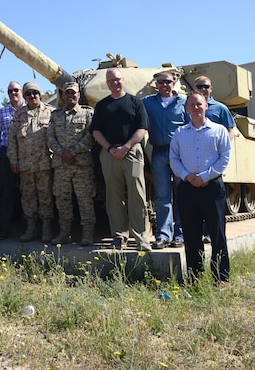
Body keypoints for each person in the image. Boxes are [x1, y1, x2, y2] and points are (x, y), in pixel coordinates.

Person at [169, 92, 232, 286]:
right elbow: (174, 159)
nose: (196, 107)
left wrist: (204, 177)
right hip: (187, 188)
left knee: (217, 234)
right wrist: (188, 176)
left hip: (212, 188)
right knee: (191, 234)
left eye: (199, 104)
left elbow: (225, 158)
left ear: (206, 106)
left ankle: (220, 278)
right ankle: (195, 276)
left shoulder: (219, 130)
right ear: (187, 108)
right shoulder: (180, 134)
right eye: (192, 105)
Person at [90, 68, 152, 251]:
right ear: (107, 84)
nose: (114, 83)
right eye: (110, 81)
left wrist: (125, 147)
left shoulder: (135, 102)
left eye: (117, 80)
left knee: (137, 195)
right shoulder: (102, 105)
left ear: (123, 80)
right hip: (109, 153)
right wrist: (110, 148)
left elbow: (142, 128)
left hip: (132, 151)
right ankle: (119, 236)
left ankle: (142, 238)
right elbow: (96, 131)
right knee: (113, 196)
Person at [142, 70, 189, 249]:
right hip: (159, 152)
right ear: (155, 84)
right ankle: (163, 235)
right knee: (162, 196)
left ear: (174, 82)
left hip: (180, 152)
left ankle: (181, 234)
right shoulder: (148, 102)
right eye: (160, 82)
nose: (164, 85)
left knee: (181, 194)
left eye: (167, 82)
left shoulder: (183, 102)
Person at [47, 81, 96, 246]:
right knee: (62, 201)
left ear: (78, 95)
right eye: (67, 93)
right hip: (61, 165)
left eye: (73, 93)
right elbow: (50, 138)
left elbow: (90, 136)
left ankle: (88, 233)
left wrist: (73, 152)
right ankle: (64, 233)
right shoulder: (55, 115)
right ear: (63, 95)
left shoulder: (88, 114)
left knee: (85, 200)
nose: (70, 96)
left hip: (81, 165)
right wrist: (63, 153)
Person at [7, 81, 54, 242]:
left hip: (45, 164)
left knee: (45, 196)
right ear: (24, 96)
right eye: (28, 94)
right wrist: (13, 160)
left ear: (40, 94)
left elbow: (56, 137)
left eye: (35, 92)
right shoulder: (19, 115)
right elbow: (12, 140)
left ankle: (46, 228)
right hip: (25, 165)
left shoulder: (51, 112)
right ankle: (31, 228)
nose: (32, 96)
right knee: (27, 197)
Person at [193, 75, 236, 244]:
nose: (203, 89)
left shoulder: (220, 108)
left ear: (211, 88)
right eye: (199, 86)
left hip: (213, 157)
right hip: (194, 157)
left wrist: (223, 147)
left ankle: (211, 233)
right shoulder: (190, 106)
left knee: (213, 199)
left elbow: (230, 129)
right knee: (196, 198)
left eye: (206, 86)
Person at [0, 81, 25, 238]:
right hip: (6, 154)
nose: (13, 93)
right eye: (10, 91)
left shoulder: (31, 110)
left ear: (21, 91)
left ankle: (28, 228)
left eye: (16, 90)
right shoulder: (1, 113)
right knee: (7, 192)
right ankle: (5, 228)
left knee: (28, 192)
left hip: (28, 154)